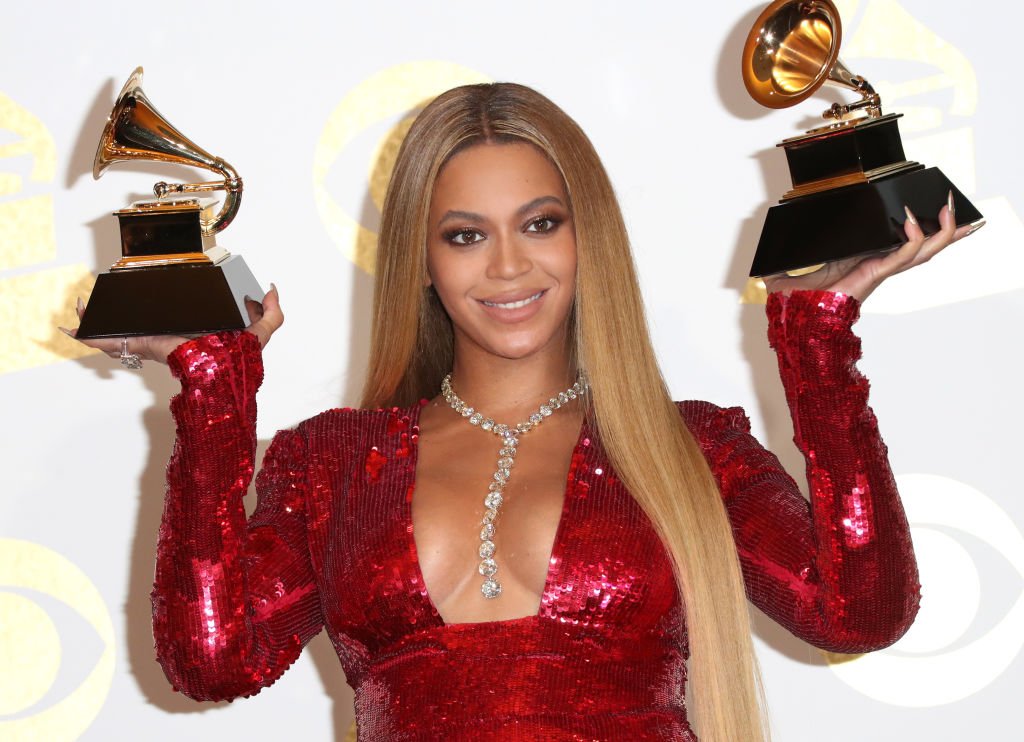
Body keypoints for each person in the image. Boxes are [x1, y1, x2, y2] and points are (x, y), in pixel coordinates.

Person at [71, 83, 982, 741]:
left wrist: (819, 337)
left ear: (591, 238)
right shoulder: (332, 463)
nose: (508, 268)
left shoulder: (691, 448)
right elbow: (211, 659)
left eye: (541, 223)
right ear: (422, 262)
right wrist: (212, 397)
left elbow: (861, 613)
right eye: (465, 235)